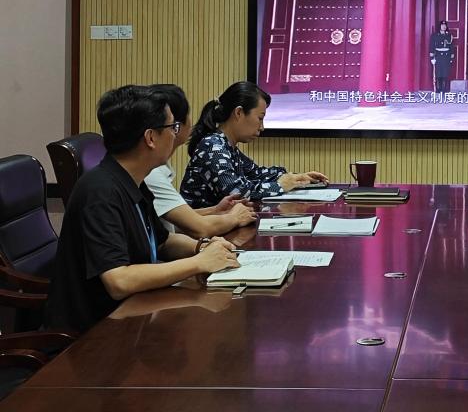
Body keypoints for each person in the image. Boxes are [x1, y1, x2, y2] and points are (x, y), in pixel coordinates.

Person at [44, 85, 240, 334]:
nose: (176, 135)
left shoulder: (133, 180)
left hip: (132, 315)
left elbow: (162, 241)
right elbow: (119, 281)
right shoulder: (100, 192)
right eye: (172, 127)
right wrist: (198, 263)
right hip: (92, 334)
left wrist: (202, 247)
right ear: (150, 138)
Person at [179, 81, 327, 207]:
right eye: (260, 118)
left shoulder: (227, 146)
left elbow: (257, 174)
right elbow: (237, 192)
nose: (262, 127)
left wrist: (297, 178)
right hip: (201, 230)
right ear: (239, 113)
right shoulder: (213, 147)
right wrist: (280, 185)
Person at [144, 84, 258, 237]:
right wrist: (234, 217)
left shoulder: (156, 167)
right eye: (173, 126)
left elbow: (170, 226)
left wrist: (216, 210)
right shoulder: (151, 174)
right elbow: (200, 228)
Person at [429, 20, 455, 93]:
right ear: (439, 26)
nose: (444, 27)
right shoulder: (435, 35)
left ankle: (444, 88)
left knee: (445, 73)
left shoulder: (449, 36)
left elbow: (451, 47)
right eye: (442, 25)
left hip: (446, 56)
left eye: (445, 25)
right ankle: (438, 88)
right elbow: (432, 46)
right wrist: (432, 57)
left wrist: (451, 57)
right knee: (438, 73)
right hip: (438, 56)